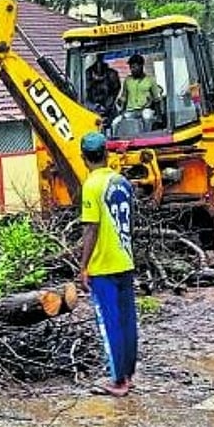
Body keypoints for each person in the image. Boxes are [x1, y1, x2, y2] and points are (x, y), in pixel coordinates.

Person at [78, 132, 138, 397]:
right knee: (127, 321)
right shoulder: (122, 182)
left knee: (109, 323)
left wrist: (83, 265)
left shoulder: (91, 186)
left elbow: (91, 228)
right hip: (125, 260)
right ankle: (129, 373)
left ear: (83, 157)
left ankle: (117, 381)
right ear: (107, 154)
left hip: (103, 265)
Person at [116, 54, 164, 131]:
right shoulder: (128, 80)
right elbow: (124, 97)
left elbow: (156, 99)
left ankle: (147, 136)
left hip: (145, 109)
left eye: (134, 67)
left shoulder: (150, 80)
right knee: (116, 122)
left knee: (147, 117)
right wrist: (122, 110)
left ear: (141, 66)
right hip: (130, 110)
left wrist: (159, 116)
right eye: (131, 67)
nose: (132, 70)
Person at [84, 54, 121, 122]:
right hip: (91, 111)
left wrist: (107, 105)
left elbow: (115, 91)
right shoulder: (86, 76)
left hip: (110, 111)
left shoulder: (112, 75)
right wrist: (94, 107)